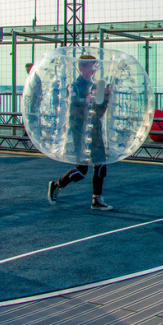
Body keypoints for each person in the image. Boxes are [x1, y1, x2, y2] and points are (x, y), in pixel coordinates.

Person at [47, 54, 113, 211]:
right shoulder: (75, 86)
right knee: (81, 170)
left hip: (94, 129)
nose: (94, 68)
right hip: (80, 131)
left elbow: (98, 112)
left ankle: (96, 199)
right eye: (91, 65)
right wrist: (87, 100)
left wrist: (105, 98)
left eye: (95, 65)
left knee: (101, 164)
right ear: (82, 67)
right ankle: (57, 184)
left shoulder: (95, 85)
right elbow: (74, 105)